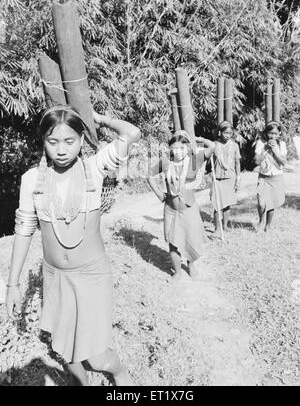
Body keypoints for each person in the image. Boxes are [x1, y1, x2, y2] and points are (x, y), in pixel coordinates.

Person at [5, 105, 141, 386]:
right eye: (53, 142)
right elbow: (24, 231)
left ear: (81, 139)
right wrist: (13, 284)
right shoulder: (32, 180)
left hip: (92, 275)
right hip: (56, 278)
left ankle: (119, 373)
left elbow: (132, 132)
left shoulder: (95, 168)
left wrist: (100, 120)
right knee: (66, 352)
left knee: (97, 357)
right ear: (43, 141)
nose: (62, 149)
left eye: (70, 141)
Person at [148, 130, 215, 282]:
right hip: (171, 210)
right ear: (170, 148)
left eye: (182, 148)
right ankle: (177, 272)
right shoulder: (166, 162)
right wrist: (159, 194)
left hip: (189, 209)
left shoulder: (194, 160)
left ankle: (192, 267)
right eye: (175, 148)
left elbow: (212, 147)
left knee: (191, 240)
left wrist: (199, 138)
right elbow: (149, 175)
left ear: (188, 148)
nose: (178, 152)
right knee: (173, 242)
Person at [254, 120, 286, 232]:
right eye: (270, 133)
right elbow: (257, 162)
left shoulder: (282, 145)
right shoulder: (261, 143)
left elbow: (283, 162)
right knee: (261, 202)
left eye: (275, 133)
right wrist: (265, 150)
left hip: (276, 177)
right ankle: (261, 220)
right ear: (266, 133)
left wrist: (275, 151)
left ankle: (268, 225)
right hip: (263, 176)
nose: (272, 136)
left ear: (279, 134)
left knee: (272, 202)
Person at [211, 121, 241, 234]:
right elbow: (208, 158)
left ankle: (225, 225)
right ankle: (217, 227)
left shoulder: (234, 146)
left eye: (229, 133)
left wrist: (238, 177)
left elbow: (237, 162)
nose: (227, 135)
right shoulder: (214, 145)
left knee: (227, 203)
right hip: (217, 177)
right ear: (220, 132)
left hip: (230, 177)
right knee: (217, 203)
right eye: (225, 133)